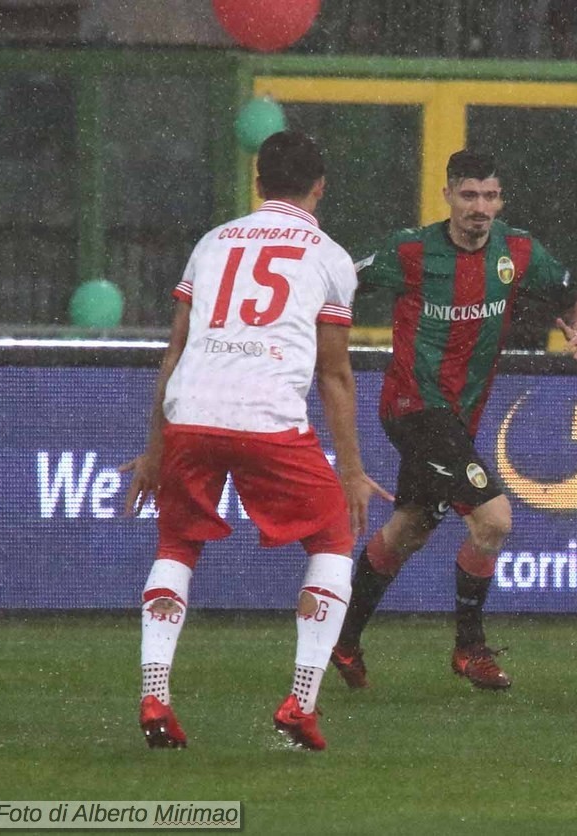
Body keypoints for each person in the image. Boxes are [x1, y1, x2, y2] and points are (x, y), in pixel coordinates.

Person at [122, 131, 388, 750]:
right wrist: (350, 468)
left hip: (191, 413)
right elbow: (334, 373)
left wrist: (156, 449)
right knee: (331, 538)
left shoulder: (213, 242)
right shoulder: (329, 256)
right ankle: (300, 702)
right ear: (319, 187)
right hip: (268, 417)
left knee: (177, 543)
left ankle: (155, 692)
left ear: (259, 183)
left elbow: (177, 349)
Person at [330, 149, 577, 691]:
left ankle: (343, 640)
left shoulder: (519, 251)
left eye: (490, 196)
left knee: (410, 528)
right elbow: (337, 281)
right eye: (469, 195)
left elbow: (574, 297)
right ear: (447, 195)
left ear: (501, 201)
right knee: (494, 518)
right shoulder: (408, 251)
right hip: (412, 408)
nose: (480, 207)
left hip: (458, 416)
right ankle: (469, 649)